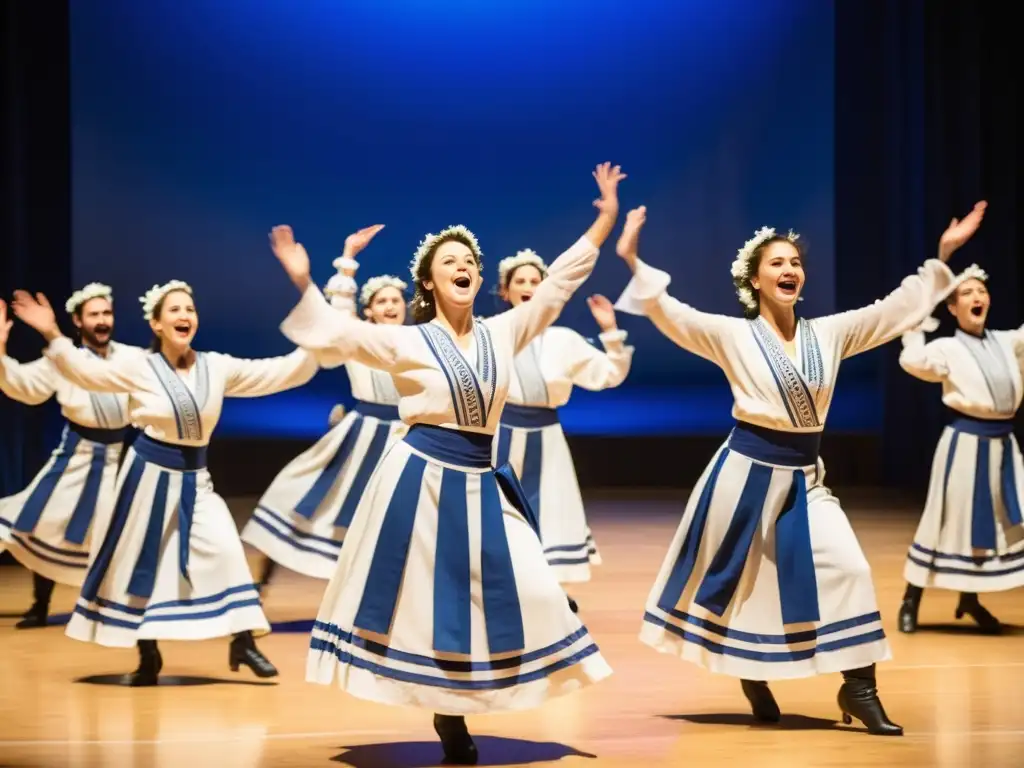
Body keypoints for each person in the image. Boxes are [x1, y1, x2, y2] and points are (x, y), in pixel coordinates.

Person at [270, 162, 625, 765]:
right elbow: (339, 334)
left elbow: (559, 283)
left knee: (536, 586)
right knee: (426, 603)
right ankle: (450, 712)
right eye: (450, 261)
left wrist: (605, 222)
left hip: (483, 478)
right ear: (429, 283)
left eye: (470, 261)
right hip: (422, 481)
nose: (464, 266)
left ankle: (474, 693)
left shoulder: (505, 330)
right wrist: (307, 282)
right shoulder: (406, 340)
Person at [613, 201, 986, 736]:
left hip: (805, 477)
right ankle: (753, 673)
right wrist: (631, 259)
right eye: (777, 264)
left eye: (795, 262)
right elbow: (672, 314)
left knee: (851, 568)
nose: (790, 270)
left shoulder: (828, 334)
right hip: (744, 476)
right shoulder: (731, 334)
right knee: (746, 584)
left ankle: (858, 688)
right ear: (755, 280)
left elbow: (892, 311)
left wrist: (944, 255)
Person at [10, 280, 324, 686]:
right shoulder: (139, 366)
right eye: (174, 310)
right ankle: (148, 654)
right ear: (157, 324)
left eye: (189, 309)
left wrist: (322, 332)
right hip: (147, 478)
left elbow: (283, 372)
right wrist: (52, 333)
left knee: (226, 549)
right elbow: (85, 372)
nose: (184, 316)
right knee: (145, 567)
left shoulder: (216, 366)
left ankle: (243, 640)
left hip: (196, 479)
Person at [242, 225, 410, 590]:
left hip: (403, 442)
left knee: (399, 521)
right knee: (303, 497)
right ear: (369, 312)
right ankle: (264, 577)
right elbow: (335, 318)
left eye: (396, 300)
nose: (390, 306)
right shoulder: (359, 340)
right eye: (382, 301)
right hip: (362, 437)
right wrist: (348, 257)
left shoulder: (415, 341)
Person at [492, 248, 633, 591]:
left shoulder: (563, 340)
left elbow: (610, 374)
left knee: (550, 513)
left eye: (535, 281)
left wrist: (610, 330)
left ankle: (549, 599)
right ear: (505, 291)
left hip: (546, 438)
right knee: (497, 514)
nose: (528, 286)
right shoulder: (490, 332)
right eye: (520, 281)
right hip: (499, 437)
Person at [0, 285, 140, 628]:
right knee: (40, 523)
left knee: (113, 535)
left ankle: (110, 606)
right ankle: (40, 604)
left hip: (116, 460)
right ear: (78, 321)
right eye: (94, 315)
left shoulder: (133, 357)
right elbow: (23, 386)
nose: (102, 321)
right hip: (74, 461)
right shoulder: (61, 359)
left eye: (107, 313)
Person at [897, 262, 1024, 634]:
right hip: (964, 445)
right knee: (943, 519)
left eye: (980, 292)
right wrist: (917, 323)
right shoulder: (947, 348)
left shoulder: (1006, 342)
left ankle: (970, 598)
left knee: (998, 523)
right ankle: (911, 598)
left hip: (1003, 445)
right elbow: (913, 361)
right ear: (952, 308)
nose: (976, 297)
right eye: (966, 294)